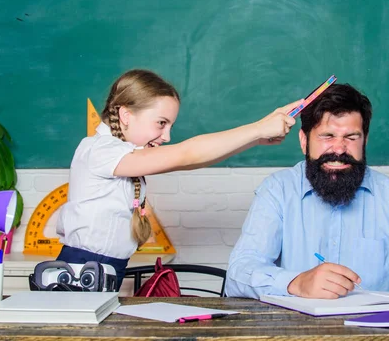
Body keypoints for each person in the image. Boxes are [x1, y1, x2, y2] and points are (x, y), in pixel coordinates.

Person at [225, 83, 389, 304]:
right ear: (303, 141)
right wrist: (296, 283)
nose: (339, 149)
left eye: (351, 137)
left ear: (364, 140)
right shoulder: (277, 190)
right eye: (327, 136)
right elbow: (240, 273)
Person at [55, 69, 298, 290]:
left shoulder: (123, 155)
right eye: (161, 123)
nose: (167, 135)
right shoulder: (99, 150)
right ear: (126, 115)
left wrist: (255, 140)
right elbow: (186, 154)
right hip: (79, 272)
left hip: (106, 272)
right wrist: (257, 128)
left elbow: (193, 160)